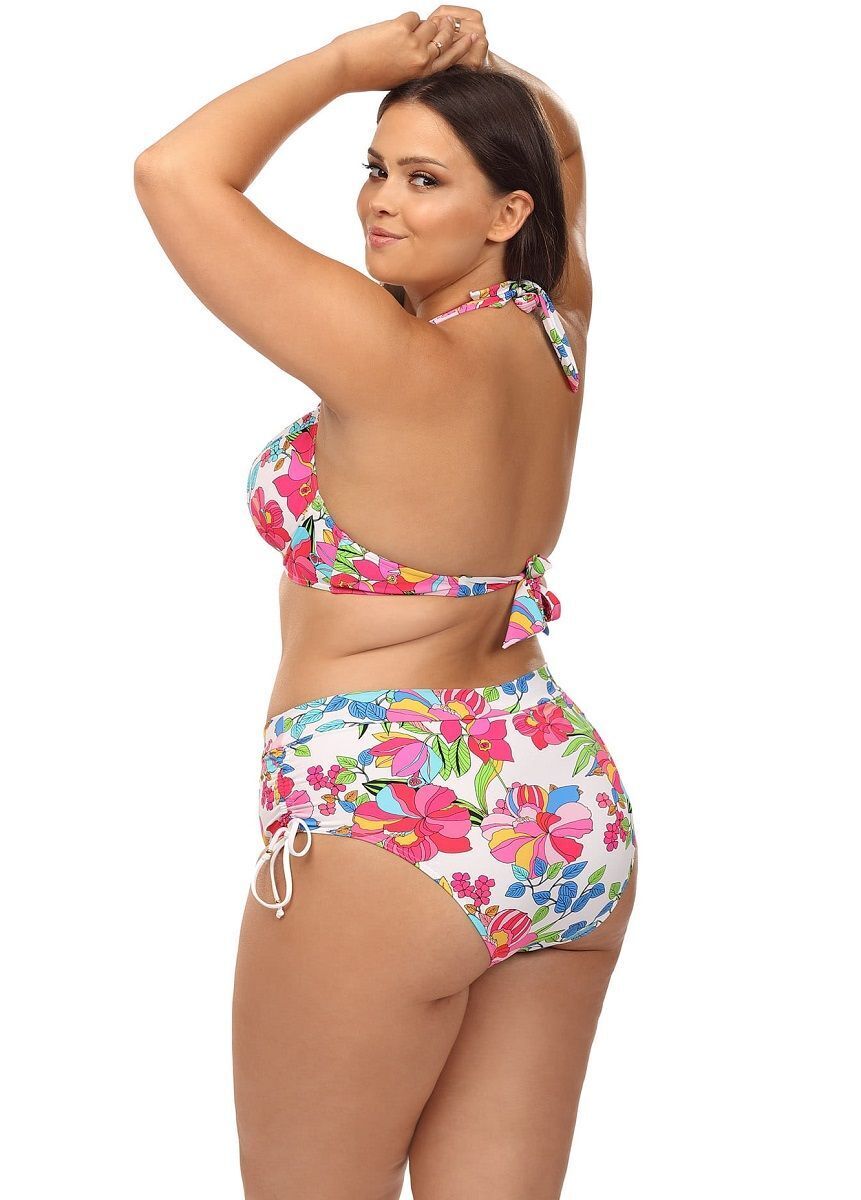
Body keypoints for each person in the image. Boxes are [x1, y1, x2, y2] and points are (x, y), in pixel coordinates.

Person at [134, 10, 638, 1198]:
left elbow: (174, 173)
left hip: (386, 819)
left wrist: (348, 67)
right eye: (375, 168)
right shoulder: (556, 323)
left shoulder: (387, 357)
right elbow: (559, 149)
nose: (380, 203)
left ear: (505, 213)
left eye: (424, 180)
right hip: (559, 802)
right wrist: (470, 73)